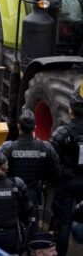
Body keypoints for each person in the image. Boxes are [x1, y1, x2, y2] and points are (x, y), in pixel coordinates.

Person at [0, 109, 61, 213]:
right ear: (35, 128)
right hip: (33, 197)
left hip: (11, 195)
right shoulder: (45, 147)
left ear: (18, 126)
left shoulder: (8, 147)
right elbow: (56, 173)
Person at [50, 97, 83, 256]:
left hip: (67, 182)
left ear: (70, 111)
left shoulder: (62, 132)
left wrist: (56, 178)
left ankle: (60, 253)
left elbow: (52, 158)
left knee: (63, 222)